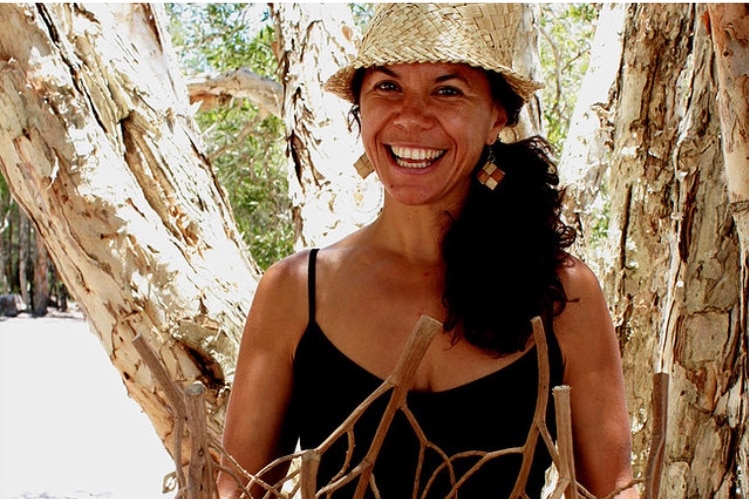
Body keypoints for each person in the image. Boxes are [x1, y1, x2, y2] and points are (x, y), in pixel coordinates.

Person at [218, 3, 637, 498]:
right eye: (387, 86)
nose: (411, 117)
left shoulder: (562, 293)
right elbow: (238, 489)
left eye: (448, 90)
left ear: (496, 116)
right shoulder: (295, 291)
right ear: (360, 110)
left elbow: (614, 490)